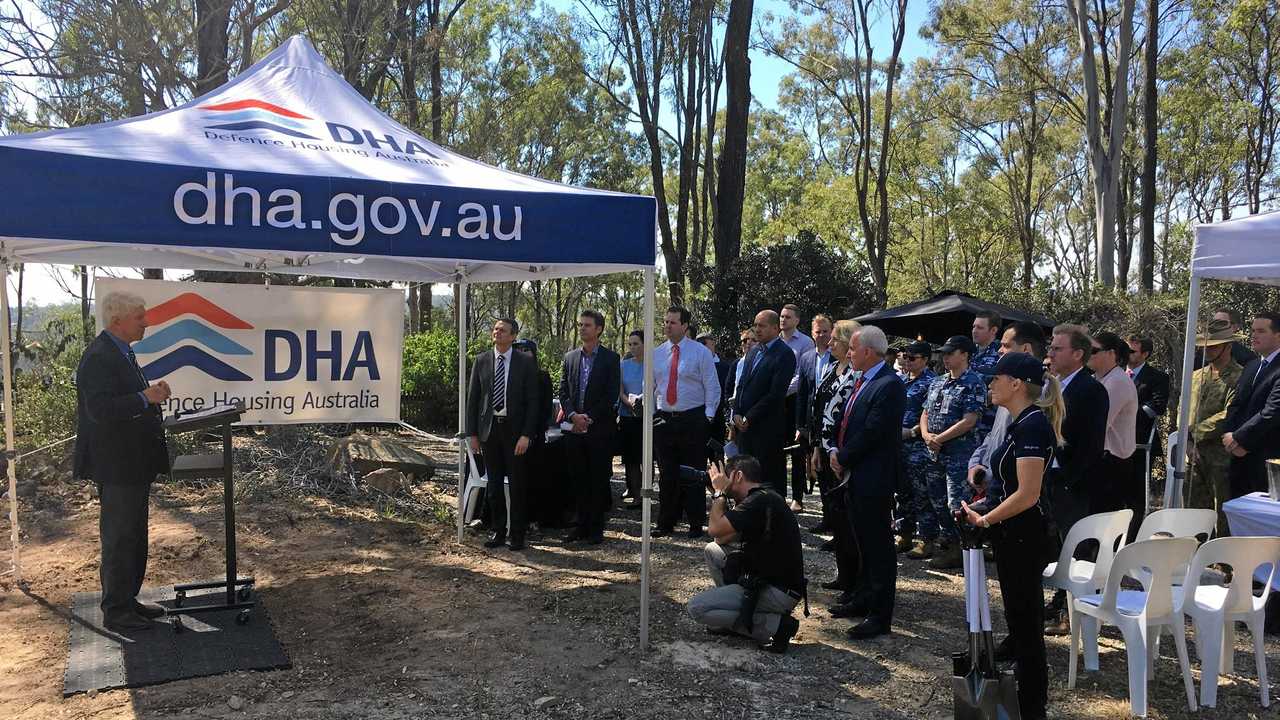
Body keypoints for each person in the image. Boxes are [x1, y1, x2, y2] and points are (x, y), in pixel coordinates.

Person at [960, 352, 1064, 720]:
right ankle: (1027, 698)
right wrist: (984, 504)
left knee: (1027, 623)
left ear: (1017, 384)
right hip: (1011, 533)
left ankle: (1034, 705)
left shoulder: (1033, 425)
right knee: (1020, 620)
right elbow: (1009, 486)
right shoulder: (1022, 423)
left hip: (1024, 536)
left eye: (996, 378)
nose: (990, 385)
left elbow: (1028, 494)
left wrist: (986, 521)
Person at [73, 291, 172, 632]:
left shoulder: (122, 352)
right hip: (117, 464)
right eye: (140, 317)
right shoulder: (99, 356)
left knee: (134, 533)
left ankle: (128, 599)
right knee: (120, 535)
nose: (146, 322)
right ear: (118, 321)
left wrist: (148, 396)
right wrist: (145, 397)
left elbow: (126, 399)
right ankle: (116, 609)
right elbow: (99, 410)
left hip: (133, 462)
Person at [829, 325, 906, 639]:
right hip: (855, 475)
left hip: (873, 477)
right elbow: (846, 420)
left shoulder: (889, 384)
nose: (849, 353)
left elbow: (873, 431)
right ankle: (862, 598)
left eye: (854, 348)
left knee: (878, 548)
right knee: (861, 543)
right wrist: (836, 450)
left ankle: (879, 614)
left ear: (870, 352)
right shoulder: (862, 381)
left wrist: (843, 456)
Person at [688, 454, 805, 653]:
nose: (721, 480)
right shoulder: (760, 497)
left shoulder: (758, 501)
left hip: (776, 591)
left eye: (726, 475)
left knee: (697, 608)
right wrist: (725, 499)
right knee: (712, 551)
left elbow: (714, 529)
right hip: (767, 580)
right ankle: (740, 616)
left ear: (738, 476)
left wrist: (719, 493)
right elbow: (720, 540)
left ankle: (776, 625)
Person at [1043, 324, 1108, 631]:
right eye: (1051, 348)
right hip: (1049, 479)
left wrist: (1069, 480)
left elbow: (1091, 446)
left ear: (1078, 354)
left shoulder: (1091, 389)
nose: (1051, 353)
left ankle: (1072, 612)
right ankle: (1059, 602)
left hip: (1074, 483)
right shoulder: (1052, 385)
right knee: (1056, 546)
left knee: (1076, 547)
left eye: (1058, 348)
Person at [466, 317, 539, 551]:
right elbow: (473, 400)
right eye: (495, 329)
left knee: (517, 485)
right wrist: (472, 434)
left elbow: (533, 402)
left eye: (503, 330)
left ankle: (517, 534)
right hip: (489, 431)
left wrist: (527, 434)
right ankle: (498, 531)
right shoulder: (482, 360)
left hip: (515, 431)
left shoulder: (525, 362)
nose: (497, 332)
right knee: (495, 485)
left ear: (513, 336)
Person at [917, 335, 987, 570]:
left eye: (951, 353)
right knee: (936, 501)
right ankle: (947, 543)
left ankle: (962, 549)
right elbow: (925, 412)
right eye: (944, 353)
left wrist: (940, 438)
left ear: (965, 354)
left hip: (959, 454)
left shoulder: (974, 382)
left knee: (956, 503)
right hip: (934, 452)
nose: (945, 357)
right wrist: (927, 436)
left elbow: (970, 420)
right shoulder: (937, 382)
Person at [652, 305, 721, 538]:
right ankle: (666, 522)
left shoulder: (700, 352)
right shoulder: (657, 353)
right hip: (664, 420)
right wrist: (652, 414)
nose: (667, 326)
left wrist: (708, 417)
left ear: (684, 325)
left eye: (673, 322)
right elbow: (650, 386)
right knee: (667, 473)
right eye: (666, 321)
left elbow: (712, 386)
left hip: (693, 418)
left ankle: (695, 522)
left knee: (693, 473)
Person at [559, 310, 622, 545]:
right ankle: (580, 526)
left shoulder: (610, 359)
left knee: (597, 480)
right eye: (580, 324)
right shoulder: (570, 358)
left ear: (598, 329)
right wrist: (574, 415)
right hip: (574, 430)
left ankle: (596, 529)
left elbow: (611, 395)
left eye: (587, 325)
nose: (582, 328)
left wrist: (589, 417)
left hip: (599, 430)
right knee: (578, 479)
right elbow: (563, 391)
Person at [968, 321, 1047, 503]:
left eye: (1006, 345)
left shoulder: (1038, 398)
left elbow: (1023, 470)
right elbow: (995, 435)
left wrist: (987, 518)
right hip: (992, 486)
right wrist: (975, 464)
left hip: (1010, 497)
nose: (999, 351)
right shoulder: (1007, 390)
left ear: (1026, 349)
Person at [1178, 319, 1242, 535]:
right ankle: (1195, 556)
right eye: (1205, 345)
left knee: (1221, 510)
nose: (1207, 349)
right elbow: (1182, 407)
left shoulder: (1240, 376)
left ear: (1228, 346)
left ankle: (1222, 562)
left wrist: (1193, 434)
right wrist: (1185, 440)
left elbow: (1229, 414)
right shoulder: (1196, 376)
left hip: (1220, 455)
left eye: (1214, 345)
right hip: (1192, 454)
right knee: (1192, 511)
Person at [811, 320, 859, 594]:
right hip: (825, 450)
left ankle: (854, 579)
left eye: (835, 341)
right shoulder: (830, 368)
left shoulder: (856, 373)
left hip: (843, 454)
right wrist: (817, 448)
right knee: (836, 517)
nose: (829, 345)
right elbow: (819, 411)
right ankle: (843, 574)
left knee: (849, 519)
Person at [733, 310, 797, 496]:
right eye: (755, 325)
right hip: (745, 430)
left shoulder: (784, 355)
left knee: (768, 479)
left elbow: (775, 394)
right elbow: (742, 385)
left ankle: (771, 520)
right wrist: (736, 412)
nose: (757, 330)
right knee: (746, 476)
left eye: (762, 326)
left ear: (775, 328)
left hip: (766, 429)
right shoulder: (753, 352)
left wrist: (749, 417)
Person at [1223, 311, 1280, 498]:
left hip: (1268, 457)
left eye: (1261, 331)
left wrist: (1240, 438)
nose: (1254, 335)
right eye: (1253, 330)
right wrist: (1229, 437)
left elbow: (1272, 412)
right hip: (1238, 457)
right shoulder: (1251, 366)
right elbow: (1235, 404)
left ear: (1278, 335)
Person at [897, 340, 941, 557]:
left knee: (921, 494)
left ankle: (927, 539)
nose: (908, 361)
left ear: (925, 359)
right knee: (902, 492)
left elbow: (931, 416)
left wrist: (913, 432)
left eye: (912, 358)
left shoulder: (932, 383)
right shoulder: (901, 380)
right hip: (898, 446)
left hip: (918, 446)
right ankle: (904, 534)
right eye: (906, 357)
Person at [1088, 331, 1139, 525]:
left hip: (1113, 462)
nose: (1088, 355)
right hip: (1105, 460)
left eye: (1093, 351)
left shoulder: (1116, 381)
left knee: (1104, 523)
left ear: (1111, 353)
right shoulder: (1101, 379)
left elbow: (1098, 423)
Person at [514, 338, 561, 528]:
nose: (523, 353)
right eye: (519, 349)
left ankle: (534, 518)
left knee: (535, 478)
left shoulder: (542, 376)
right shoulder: (511, 375)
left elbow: (544, 410)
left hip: (534, 436)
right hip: (512, 435)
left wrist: (530, 432)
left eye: (527, 349)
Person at [1126, 334, 1169, 537]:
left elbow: (1157, 406)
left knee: (1135, 495)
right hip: (1115, 443)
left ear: (1145, 354)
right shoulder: (1114, 374)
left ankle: (1132, 539)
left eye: (1132, 351)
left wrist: (1126, 413)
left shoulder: (1157, 377)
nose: (1127, 354)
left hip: (1139, 444)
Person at [796, 314, 834, 518]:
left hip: (833, 421)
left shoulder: (839, 356)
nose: (821, 335)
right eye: (817, 332)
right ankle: (827, 515)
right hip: (812, 423)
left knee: (830, 470)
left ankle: (834, 516)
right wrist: (799, 425)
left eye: (825, 331)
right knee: (817, 469)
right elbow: (802, 394)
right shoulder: (806, 358)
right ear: (812, 333)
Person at [780, 304, 815, 512]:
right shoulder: (774, 340)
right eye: (782, 316)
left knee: (797, 452)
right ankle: (778, 495)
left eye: (788, 317)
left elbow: (804, 374)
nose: (783, 320)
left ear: (797, 320)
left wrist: (779, 389)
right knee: (777, 451)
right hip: (775, 404)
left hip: (794, 401)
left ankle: (798, 498)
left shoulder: (805, 343)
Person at [618, 330, 646, 507]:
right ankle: (636, 495)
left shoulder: (652, 364)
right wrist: (628, 402)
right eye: (630, 344)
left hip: (646, 416)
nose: (633, 347)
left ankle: (647, 492)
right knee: (631, 458)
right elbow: (619, 390)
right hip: (628, 415)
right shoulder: (623, 365)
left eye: (636, 343)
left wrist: (642, 400)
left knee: (646, 457)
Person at [971, 310, 1003, 439]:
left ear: (993, 330)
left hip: (986, 426)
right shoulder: (968, 352)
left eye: (980, 327)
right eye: (973, 326)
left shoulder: (1001, 353)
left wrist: (969, 404)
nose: (974, 331)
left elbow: (1000, 389)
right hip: (964, 428)